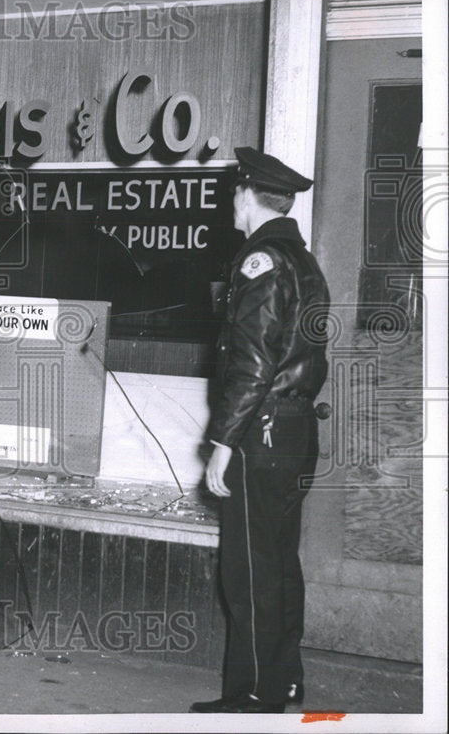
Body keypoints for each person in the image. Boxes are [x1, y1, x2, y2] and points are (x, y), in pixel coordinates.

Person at [191, 147, 331, 714]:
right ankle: (284, 681)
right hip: (293, 432)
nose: (230, 200)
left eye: (233, 192)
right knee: (278, 560)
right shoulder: (301, 259)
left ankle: (250, 696)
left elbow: (252, 364)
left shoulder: (262, 262)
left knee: (247, 567)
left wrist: (223, 442)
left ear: (247, 196)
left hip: (261, 433)